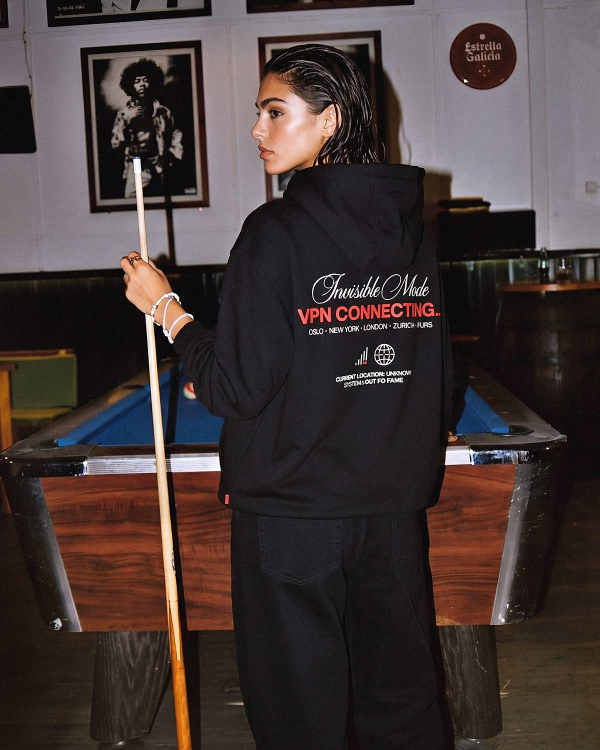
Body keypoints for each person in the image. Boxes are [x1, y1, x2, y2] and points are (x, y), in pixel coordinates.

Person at [121, 44, 453, 750]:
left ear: (329, 120)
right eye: (259, 113)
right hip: (391, 513)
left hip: (292, 517)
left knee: (300, 717)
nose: (257, 129)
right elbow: (425, 369)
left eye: (275, 112)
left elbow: (234, 388)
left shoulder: (274, 232)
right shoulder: (411, 229)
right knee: (400, 708)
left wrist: (167, 309)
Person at [111, 57, 183, 198]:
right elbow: (115, 143)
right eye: (137, 81)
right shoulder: (123, 114)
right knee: (132, 201)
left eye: (145, 80)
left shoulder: (164, 112)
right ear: (130, 86)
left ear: (153, 82)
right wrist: (127, 120)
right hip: (136, 165)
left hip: (160, 165)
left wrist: (170, 156)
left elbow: (176, 136)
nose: (142, 84)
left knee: (160, 202)